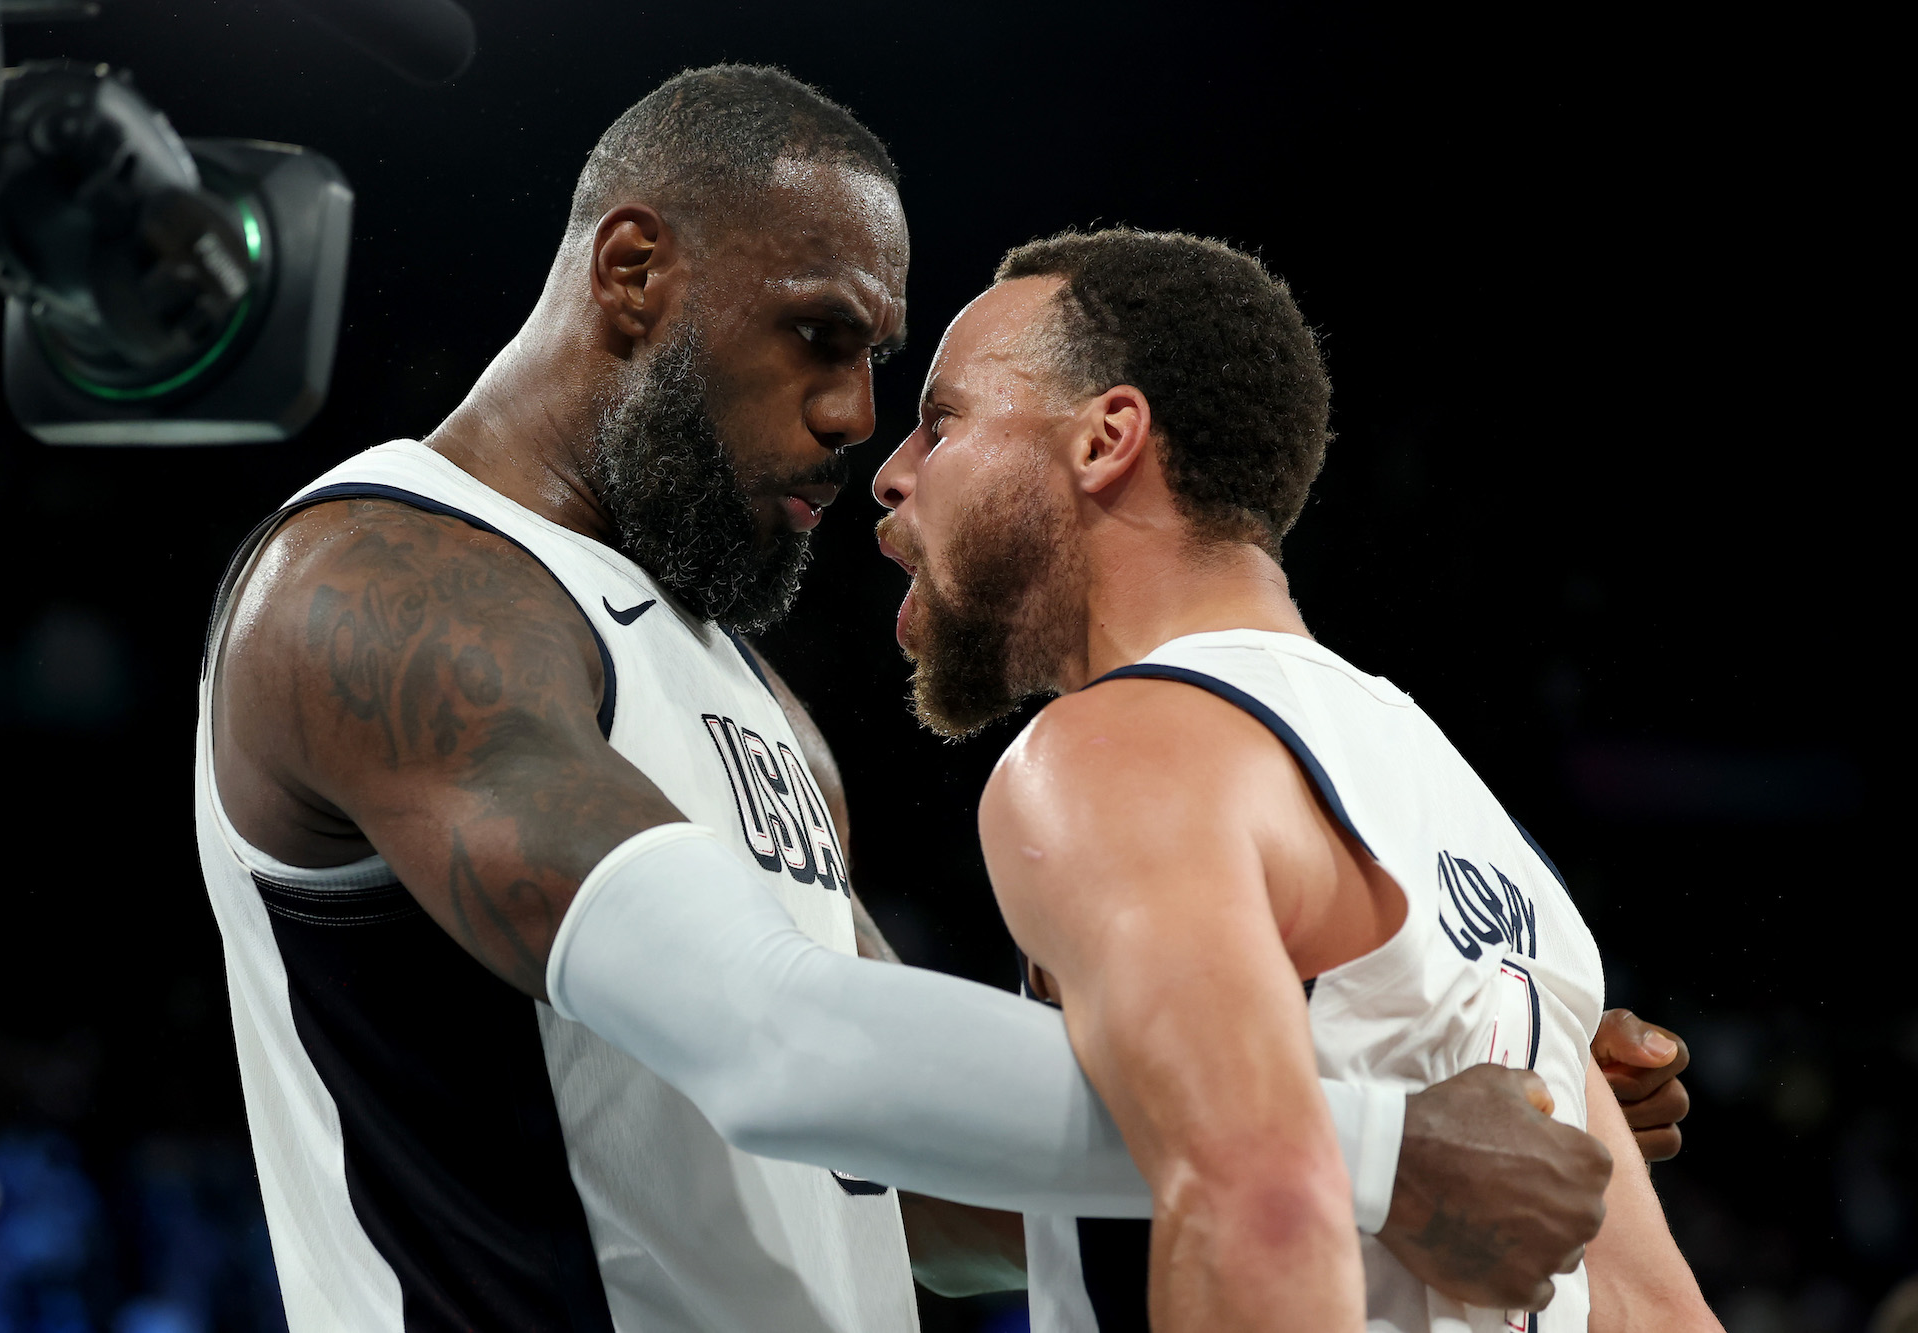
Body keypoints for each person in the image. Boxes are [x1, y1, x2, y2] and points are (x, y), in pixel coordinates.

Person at [200, 66, 1684, 1331]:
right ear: (635, 270)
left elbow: (900, 1177)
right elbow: (778, 1041)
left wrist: (1467, 1086)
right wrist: (1379, 1142)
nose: (855, 421)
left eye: (890, 369)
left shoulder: (752, 697)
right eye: (819, 335)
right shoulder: (380, 586)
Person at [870, 228, 1719, 1332]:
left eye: (942, 422)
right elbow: (1654, 1314)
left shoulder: (1115, 748)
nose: (891, 471)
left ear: (1103, 440)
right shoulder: (1460, 807)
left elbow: (1255, 1209)